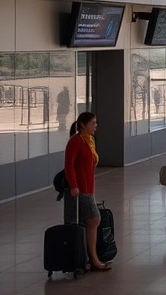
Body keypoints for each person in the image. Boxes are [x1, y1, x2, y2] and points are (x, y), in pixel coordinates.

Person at [63, 112, 111, 271]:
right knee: (94, 219)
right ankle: (94, 259)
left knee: (87, 222)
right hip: (80, 189)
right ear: (83, 125)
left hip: (88, 187)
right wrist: (73, 185)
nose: (96, 126)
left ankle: (85, 258)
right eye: (93, 123)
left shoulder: (89, 141)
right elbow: (69, 165)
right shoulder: (75, 142)